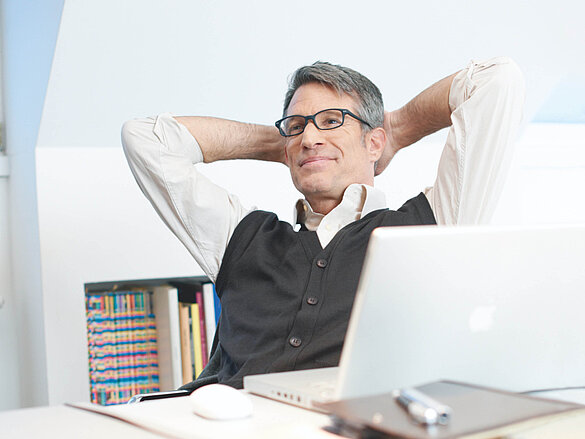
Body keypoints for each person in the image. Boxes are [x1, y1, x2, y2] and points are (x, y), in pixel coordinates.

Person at [121, 57, 525, 389]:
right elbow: (145, 139)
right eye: (297, 126)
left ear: (374, 142)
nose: (310, 138)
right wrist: (281, 143)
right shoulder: (241, 237)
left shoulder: (433, 225)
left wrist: (398, 128)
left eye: (332, 121)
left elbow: (495, 81)